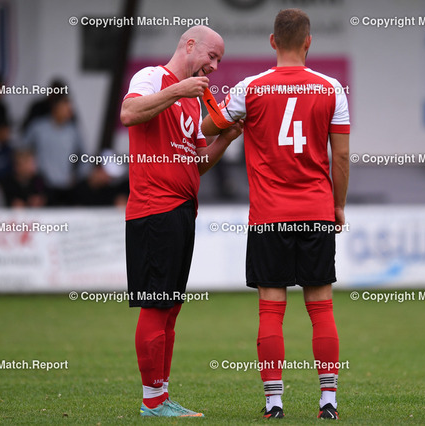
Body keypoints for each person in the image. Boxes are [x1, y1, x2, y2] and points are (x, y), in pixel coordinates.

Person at [202, 9, 350, 420]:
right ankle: (328, 400)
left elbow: (210, 127)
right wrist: (338, 205)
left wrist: (209, 100)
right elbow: (341, 157)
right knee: (321, 307)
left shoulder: (250, 88)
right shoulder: (332, 89)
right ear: (308, 41)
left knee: (271, 309)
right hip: (316, 211)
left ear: (272, 41)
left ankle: (274, 402)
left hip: (269, 215)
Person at [120, 25, 242, 417]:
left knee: (170, 307)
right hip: (154, 208)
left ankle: (161, 395)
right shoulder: (153, 77)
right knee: (156, 305)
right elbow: (128, 113)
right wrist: (178, 91)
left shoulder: (192, 101)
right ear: (190, 45)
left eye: (219, 60)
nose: (214, 66)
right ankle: (152, 401)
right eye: (212, 56)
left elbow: (197, 163)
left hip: (182, 210)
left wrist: (226, 139)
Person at [19, 93, 87, 206]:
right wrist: (29, 171)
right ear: (55, 107)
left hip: (66, 187)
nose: (69, 111)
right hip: (41, 186)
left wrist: (78, 176)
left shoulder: (73, 132)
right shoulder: (38, 128)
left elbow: (84, 156)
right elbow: (22, 150)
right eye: (65, 107)